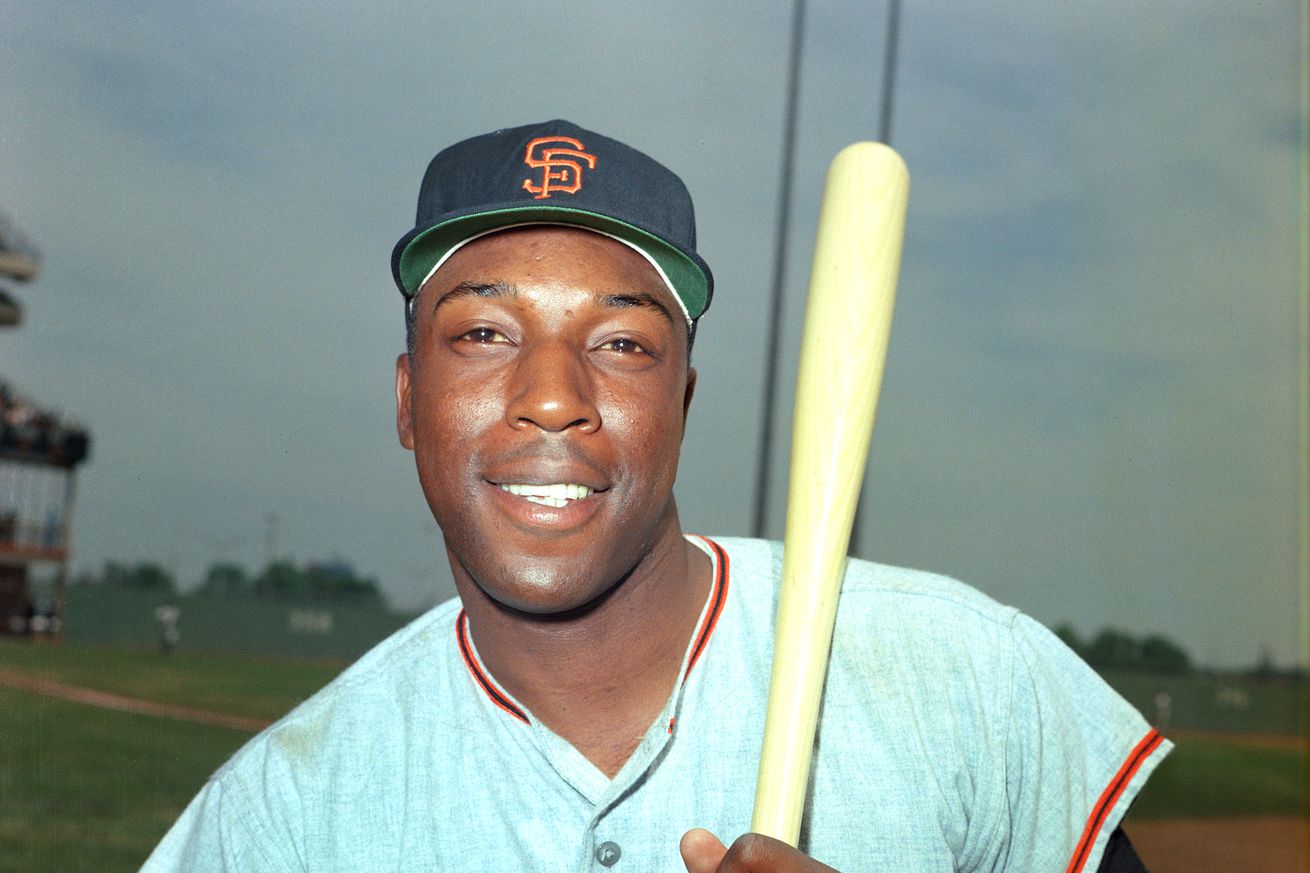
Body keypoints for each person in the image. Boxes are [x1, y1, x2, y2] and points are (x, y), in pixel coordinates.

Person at [142, 119, 1169, 872]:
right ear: (409, 400)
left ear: (680, 402)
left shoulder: (962, 678)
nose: (551, 398)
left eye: (622, 343)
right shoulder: (280, 819)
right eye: (483, 334)